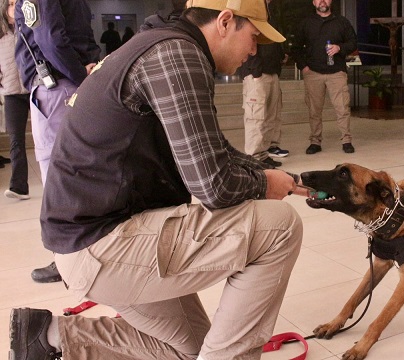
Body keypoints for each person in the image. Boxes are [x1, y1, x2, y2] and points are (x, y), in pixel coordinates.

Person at [8, 1, 305, 359]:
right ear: (225, 21)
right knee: (280, 226)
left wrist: (280, 177)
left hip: (86, 241)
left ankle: (51, 336)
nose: (254, 50)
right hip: (102, 244)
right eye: (253, 36)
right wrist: (264, 186)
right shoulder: (177, 55)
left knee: (190, 349)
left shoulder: (163, 45)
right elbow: (213, 186)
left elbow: (212, 150)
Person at [14, 0, 100, 283]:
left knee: (58, 174)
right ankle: (85, 254)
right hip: (69, 84)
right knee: (79, 171)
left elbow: (48, 36)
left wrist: (76, 75)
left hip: (57, 86)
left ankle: (68, 260)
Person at [291, 0, 357, 154]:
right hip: (313, 73)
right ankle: (315, 141)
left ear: (330, 1)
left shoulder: (342, 22)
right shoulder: (306, 23)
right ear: (314, 3)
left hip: (337, 73)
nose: (322, 1)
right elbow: (295, 47)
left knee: (342, 108)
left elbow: (353, 43)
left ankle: (346, 140)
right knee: (314, 110)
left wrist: (339, 47)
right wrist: (304, 67)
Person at [238, 0, 289, 168]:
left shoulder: (270, 11)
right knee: (256, 117)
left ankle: (264, 153)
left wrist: (281, 55)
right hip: (256, 74)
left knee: (270, 116)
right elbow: (247, 39)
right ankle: (254, 157)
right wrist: (255, 72)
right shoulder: (251, 9)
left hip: (272, 71)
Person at [1, 0, 31, 200]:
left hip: (33, 87)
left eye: (16, 2)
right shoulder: (1, 35)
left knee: (48, 136)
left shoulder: (30, 28)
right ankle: (19, 187)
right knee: (16, 139)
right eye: (10, 3)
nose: (13, 6)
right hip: (11, 92)